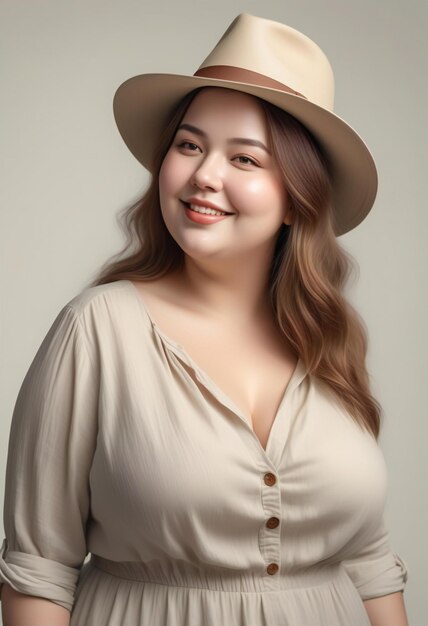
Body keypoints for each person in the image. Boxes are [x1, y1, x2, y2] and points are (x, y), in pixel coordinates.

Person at [0, 12, 409, 626]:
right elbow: (38, 571)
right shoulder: (97, 330)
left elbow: (370, 560)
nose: (203, 176)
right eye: (189, 145)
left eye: (244, 159)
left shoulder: (328, 337)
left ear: (298, 197)